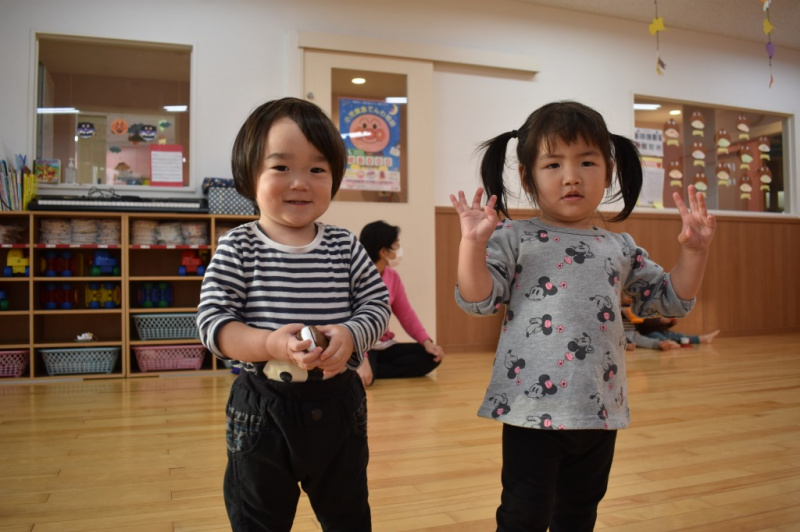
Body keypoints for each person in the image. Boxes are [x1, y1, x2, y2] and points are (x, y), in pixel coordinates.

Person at [449, 101, 715, 531]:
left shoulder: (620, 246)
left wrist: (695, 253)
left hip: (599, 409)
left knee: (579, 513)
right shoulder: (514, 237)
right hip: (531, 410)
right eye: (553, 164)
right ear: (527, 177)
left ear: (608, 172)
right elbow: (478, 299)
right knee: (522, 514)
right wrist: (472, 246)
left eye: (587, 162)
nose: (571, 176)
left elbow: (667, 300)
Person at [197, 97, 391, 532]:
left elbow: (377, 304)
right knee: (259, 518)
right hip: (262, 410)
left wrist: (351, 335)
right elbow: (213, 323)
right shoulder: (238, 247)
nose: (300, 182)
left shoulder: (344, 245)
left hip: (339, 405)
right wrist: (269, 343)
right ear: (249, 174)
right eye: (281, 167)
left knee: (348, 515)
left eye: (317, 169)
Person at [356, 220, 445, 386]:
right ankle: (365, 368)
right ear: (383, 251)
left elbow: (407, 315)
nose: (399, 249)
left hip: (383, 345)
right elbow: (351, 322)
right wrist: (362, 357)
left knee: (430, 357)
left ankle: (371, 370)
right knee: (364, 376)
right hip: (359, 346)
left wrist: (426, 341)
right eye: (396, 245)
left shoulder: (392, 277)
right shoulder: (356, 277)